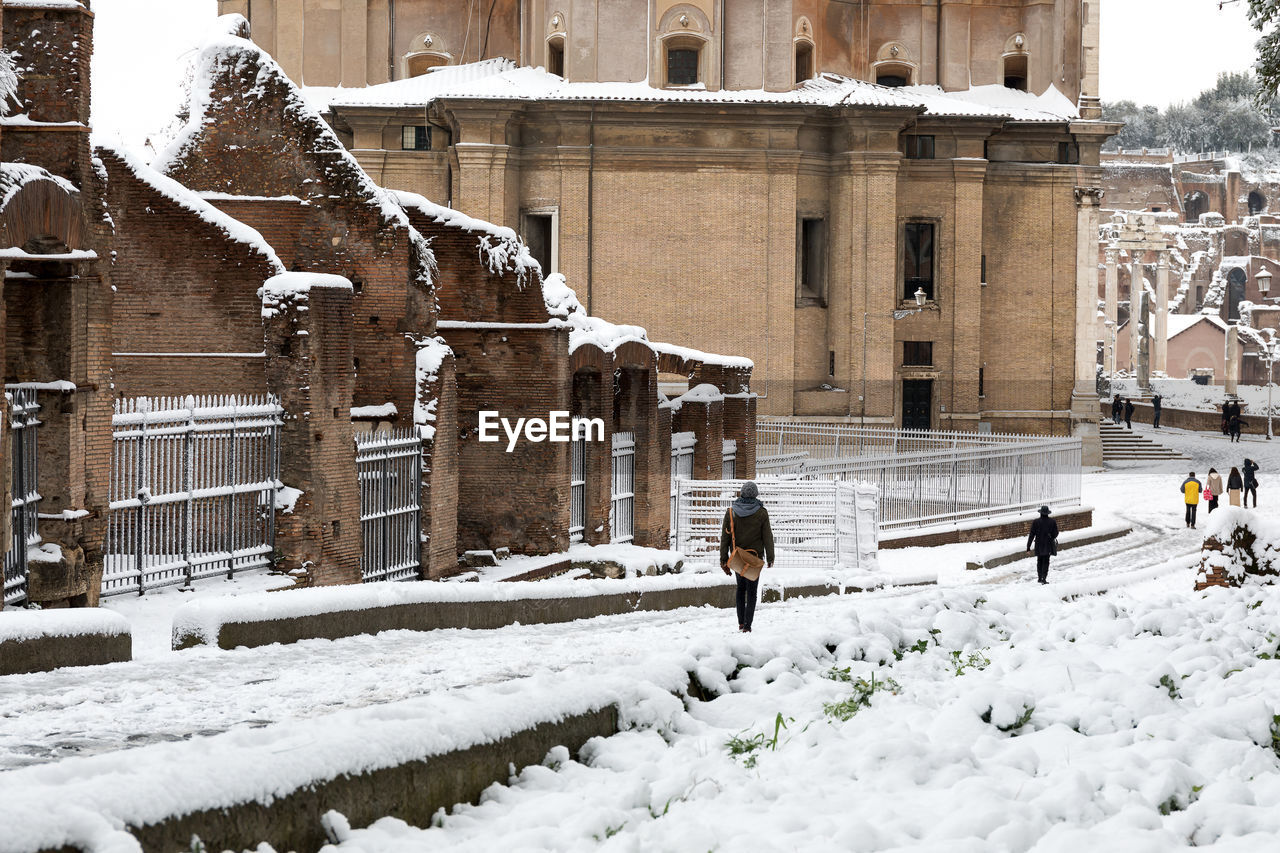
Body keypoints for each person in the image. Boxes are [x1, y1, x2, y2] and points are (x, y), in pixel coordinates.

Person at [720, 481, 774, 633]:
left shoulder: (731, 512)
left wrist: (723, 558)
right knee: (752, 591)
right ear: (755, 495)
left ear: (741, 493)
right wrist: (770, 557)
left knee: (740, 589)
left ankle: (741, 623)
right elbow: (767, 536)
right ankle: (748, 625)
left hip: (738, 557)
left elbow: (725, 537)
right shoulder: (762, 512)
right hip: (754, 558)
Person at [1026, 505, 1059, 585]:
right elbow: (1056, 533)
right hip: (1048, 544)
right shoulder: (1052, 522)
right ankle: (1044, 578)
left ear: (1040, 513)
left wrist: (1028, 547)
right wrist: (1051, 536)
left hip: (1038, 544)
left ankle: (1039, 577)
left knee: (1039, 561)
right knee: (1046, 561)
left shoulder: (1036, 522)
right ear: (1047, 513)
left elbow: (1031, 535)